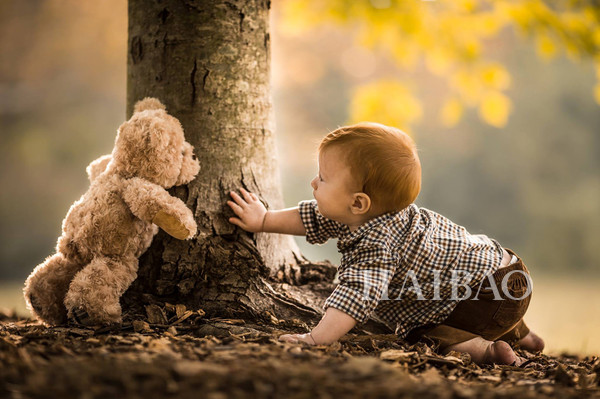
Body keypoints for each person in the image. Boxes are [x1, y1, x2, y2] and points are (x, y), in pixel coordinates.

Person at [226, 122, 544, 365]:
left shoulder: (374, 245)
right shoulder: (369, 213)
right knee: (489, 300)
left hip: (484, 296)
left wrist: (315, 339)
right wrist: (264, 220)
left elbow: (355, 296)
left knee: (424, 332)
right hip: (510, 273)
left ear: (359, 203)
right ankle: (524, 335)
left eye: (322, 178)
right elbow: (313, 217)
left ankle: (487, 350)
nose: (313, 182)